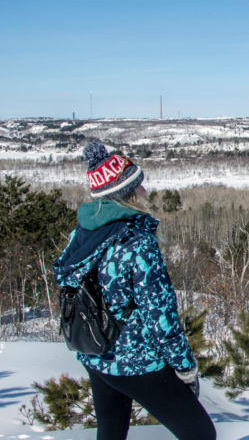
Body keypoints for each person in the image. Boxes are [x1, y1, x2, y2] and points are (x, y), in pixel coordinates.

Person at [53, 141, 216, 440]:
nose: (144, 192)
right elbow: (160, 314)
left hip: (95, 353)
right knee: (201, 434)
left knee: (111, 432)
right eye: (137, 186)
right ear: (124, 194)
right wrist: (184, 367)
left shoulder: (82, 233)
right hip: (136, 361)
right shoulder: (136, 242)